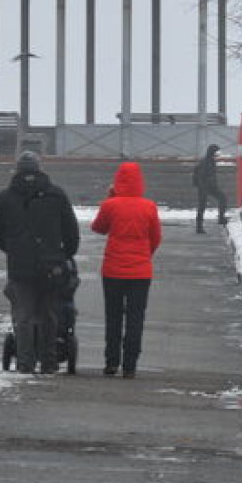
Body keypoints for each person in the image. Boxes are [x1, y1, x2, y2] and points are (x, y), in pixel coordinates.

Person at [0, 151, 80, 374]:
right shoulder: (56, 195)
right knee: (50, 314)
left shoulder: (5, 197)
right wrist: (63, 255)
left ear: (17, 170)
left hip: (20, 267)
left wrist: (13, 251)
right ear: (39, 168)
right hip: (52, 266)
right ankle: (49, 362)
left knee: (23, 316)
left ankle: (25, 362)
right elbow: (71, 233)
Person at [90, 161, 162, 379]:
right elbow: (156, 237)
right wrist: (143, 256)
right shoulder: (149, 206)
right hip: (140, 273)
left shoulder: (111, 205)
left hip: (112, 271)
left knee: (113, 317)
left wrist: (111, 198)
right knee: (135, 318)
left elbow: (98, 227)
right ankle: (130, 365)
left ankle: (111, 362)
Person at [191, 143, 228, 234]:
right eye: (216, 153)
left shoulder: (210, 161)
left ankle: (221, 218)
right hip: (204, 187)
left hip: (210, 186)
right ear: (212, 153)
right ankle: (199, 227)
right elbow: (201, 176)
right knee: (202, 206)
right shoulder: (205, 162)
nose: (217, 155)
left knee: (222, 198)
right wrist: (202, 186)